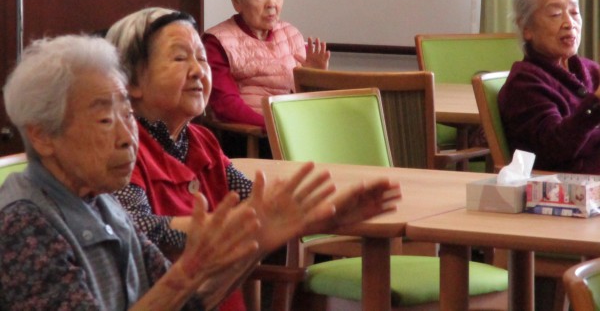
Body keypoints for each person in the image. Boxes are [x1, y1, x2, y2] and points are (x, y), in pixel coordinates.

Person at [0, 34, 401, 310]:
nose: (127, 138)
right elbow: (179, 287)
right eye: (105, 120)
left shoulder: (101, 202)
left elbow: (186, 302)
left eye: (127, 115)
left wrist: (259, 243)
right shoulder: (24, 224)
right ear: (42, 135)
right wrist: (190, 271)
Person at [105, 8, 401, 311]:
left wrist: (326, 215)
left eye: (202, 58)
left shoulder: (202, 141)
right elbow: (136, 227)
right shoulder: (122, 149)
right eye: (180, 58)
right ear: (131, 80)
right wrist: (240, 224)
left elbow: (256, 204)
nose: (197, 71)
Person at [202, 0, 330, 130]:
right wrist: (276, 127)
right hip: (252, 136)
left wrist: (314, 80)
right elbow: (225, 105)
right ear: (236, 0)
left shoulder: (291, 34)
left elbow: (310, 102)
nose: (271, 3)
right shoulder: (216, 42)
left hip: (296, 128)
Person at [498, 0, 600, 174]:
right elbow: (554, 148)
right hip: (566, 186)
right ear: (526, 29)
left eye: (574, 12)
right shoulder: (525, 83)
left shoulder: (591, 70)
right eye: (555, 14)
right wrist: (595, 105)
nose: (569, 23)